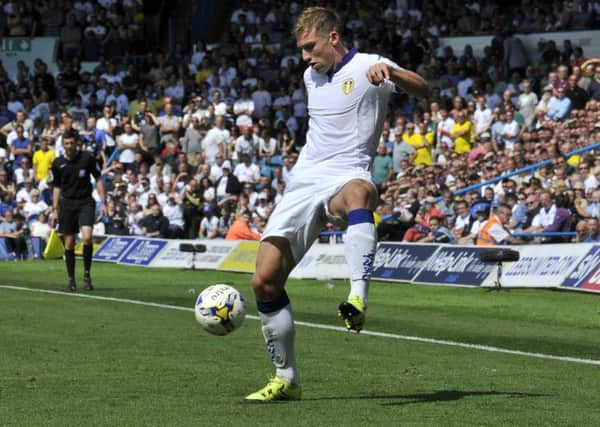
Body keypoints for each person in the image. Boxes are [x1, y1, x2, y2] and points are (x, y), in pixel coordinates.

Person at [244, 6, 427, 402]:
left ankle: (357, 296)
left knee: (360, 195)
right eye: (301, 49)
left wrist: (392, 74)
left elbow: (423, 88)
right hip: (304, 178)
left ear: (332, 37)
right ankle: (286, 377)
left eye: (309, 47)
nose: (305, 57)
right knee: (264, 281)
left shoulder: (370, 65)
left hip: (348, 172)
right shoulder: (311, 77)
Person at [51, 129, 107, 291]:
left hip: (85, 202)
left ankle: (87, 275)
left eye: (72, 143)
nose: (69, 146)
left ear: (77, 143)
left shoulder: (87, 158)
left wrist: (103, 201)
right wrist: (55, 208)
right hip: (67, 204)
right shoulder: (57, 163)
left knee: (87, 237)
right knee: (69, 243)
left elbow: (98, 178)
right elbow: (56, 187)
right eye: (66, 143)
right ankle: (71, 279)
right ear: (63, 144)